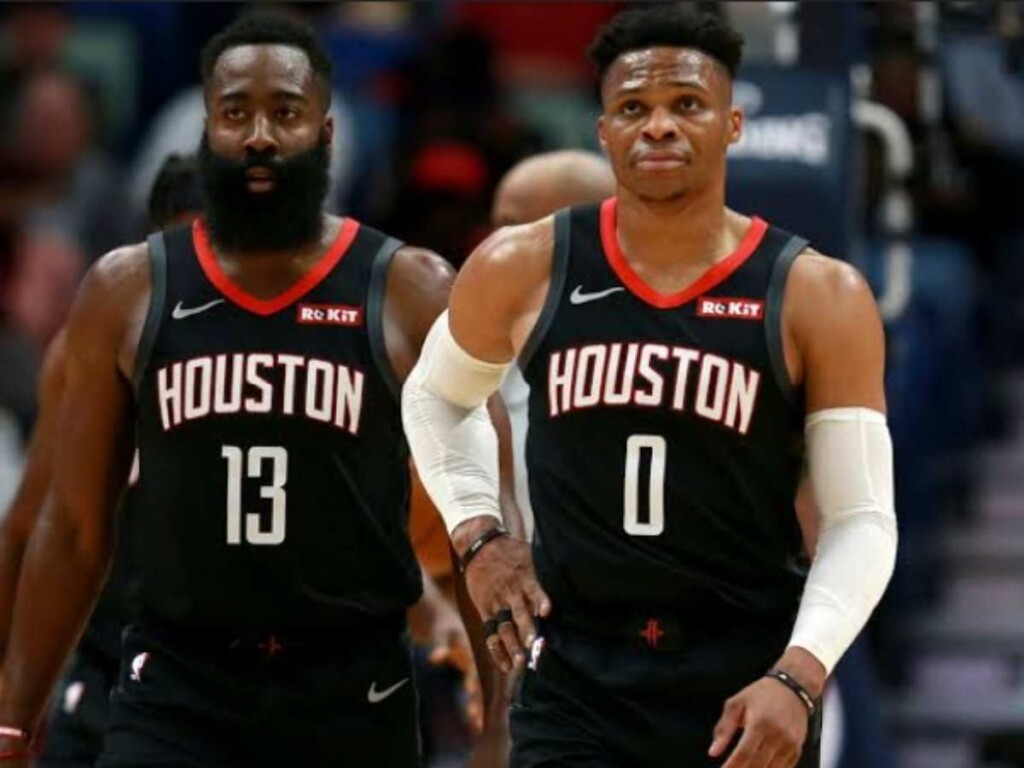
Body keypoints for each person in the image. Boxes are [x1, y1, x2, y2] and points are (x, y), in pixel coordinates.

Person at [402, 5, 898, 768]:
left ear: (732, 125)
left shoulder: (816, 295)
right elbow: (434, 398)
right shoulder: (523, 265)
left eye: (686, 106)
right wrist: (478, 534)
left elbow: (861, 518)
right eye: (634, 108)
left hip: (742, 675)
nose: (658, 126)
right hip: (575, 670)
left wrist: (800, 676)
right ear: (603, 131)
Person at [0, 14, 477, 768]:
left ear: (325, 132)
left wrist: (499, 716)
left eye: (285, 112)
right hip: (176, 684)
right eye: (235, 113)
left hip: (353, 689)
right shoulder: (127, 290)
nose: (259, 134)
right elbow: (68, 530)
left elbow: (471, 522)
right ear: (207, 131)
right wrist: (13, 717)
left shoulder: (410, 290)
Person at [0, 153, 204, 768]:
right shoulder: (96, 345)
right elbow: (29, 528)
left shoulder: (296, 350)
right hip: (111, 670)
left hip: (245, 679)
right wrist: (14, 698)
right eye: (190, 248)